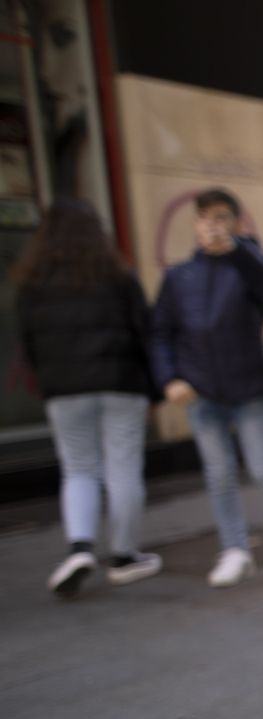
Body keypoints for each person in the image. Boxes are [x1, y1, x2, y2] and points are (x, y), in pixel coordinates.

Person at [150, 188, 263, 589]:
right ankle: (234, 549)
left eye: (222, 218)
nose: (213, 225)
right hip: (201, 392)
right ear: (195, 223)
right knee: (219, 473)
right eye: (205, 218)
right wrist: (170, 378)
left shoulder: (248, 267)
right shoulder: (180, 277)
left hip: (248, 386)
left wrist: (236, 247)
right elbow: (161, 333)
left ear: (237, 224)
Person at [13, 199, 161, 595]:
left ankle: (79, 547)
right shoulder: (118, 274)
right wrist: (156, 385)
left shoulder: (32, 283)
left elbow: (28, 343)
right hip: (120, 383)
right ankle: (124, 555)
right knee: (122, 467)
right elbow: (144, 331)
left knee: (79, 468)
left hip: (64, 389)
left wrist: (45, 382)